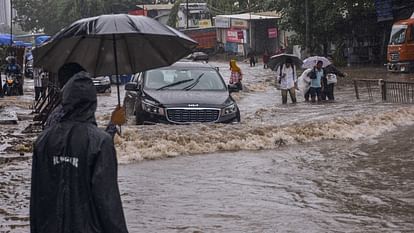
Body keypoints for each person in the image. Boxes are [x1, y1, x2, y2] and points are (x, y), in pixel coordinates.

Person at [30, 72, 129, 233]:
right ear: (93, 102)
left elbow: (36, 200)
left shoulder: (43, 140)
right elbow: (108, 203)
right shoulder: (100, 142)